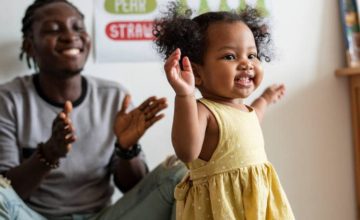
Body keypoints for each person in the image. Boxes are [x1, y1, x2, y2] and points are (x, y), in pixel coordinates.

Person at [0, 0, 186, 219]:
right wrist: (48, 154)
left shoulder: (114, 97)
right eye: (53, 30)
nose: (71, 36)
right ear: (30, 46)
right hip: (31, 215)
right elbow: (8, 191)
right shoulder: (9, 100)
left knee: (180, 173)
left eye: (78, 27)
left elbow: (136, 189)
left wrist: (126, 149)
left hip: (103, 216)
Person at [153, 2, 295, 220]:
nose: (246, 64)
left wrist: (265, 98)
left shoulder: (242, 109)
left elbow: (253, 119)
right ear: (197, 72)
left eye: (252, 55)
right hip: (222, 210)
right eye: (230, 56)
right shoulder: (204, 111)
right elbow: (187, 151)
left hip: (256, 208)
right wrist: (185, 95)